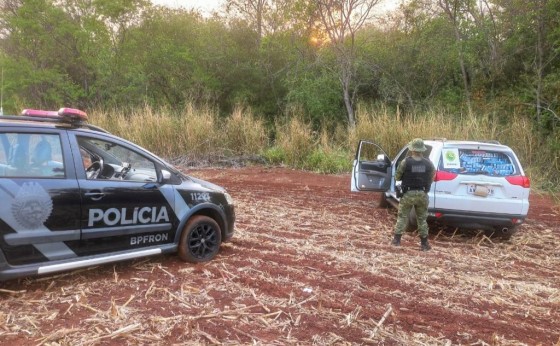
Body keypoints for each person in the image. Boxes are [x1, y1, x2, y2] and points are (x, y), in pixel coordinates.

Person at [391, 138, 436, 251]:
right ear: (422, 150)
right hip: (422, 194)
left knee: (402, 217)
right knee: (422, 219)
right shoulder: (428, 163)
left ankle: (396, 241)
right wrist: (427, 186)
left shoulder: (406, 162)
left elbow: (397, 177)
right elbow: (432, 176)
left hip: (408, 194)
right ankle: (424, 244)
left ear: (412, 149)